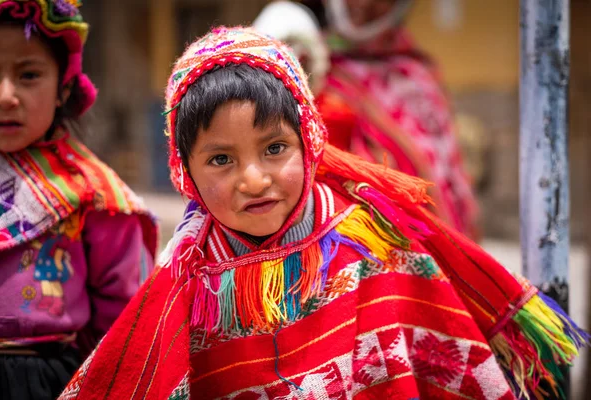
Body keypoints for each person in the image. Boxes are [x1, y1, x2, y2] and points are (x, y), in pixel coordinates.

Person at [59, 27, 587, 400]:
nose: (255, 179)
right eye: (221, 159)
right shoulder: (186, 279)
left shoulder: (373, 249)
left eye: (274, 149)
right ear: (185, 173)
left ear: (309, 143)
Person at [0, 1, 158, 399]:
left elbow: (123, 315)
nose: (5, 95)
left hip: (48, 381)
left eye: (29, 74)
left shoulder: (93, 192)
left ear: (63, 87)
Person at [312, 0, 479, 239]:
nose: (364, 3)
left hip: (432, 233)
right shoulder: (311, 66)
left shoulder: (419, 72)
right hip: (359, 233)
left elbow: (449, 170)